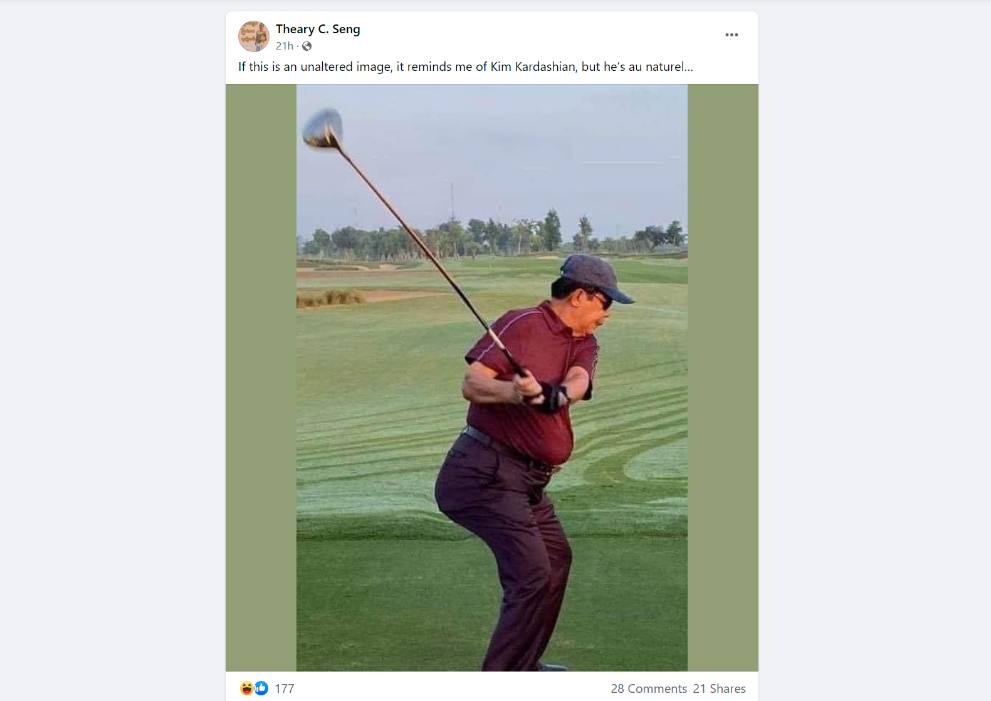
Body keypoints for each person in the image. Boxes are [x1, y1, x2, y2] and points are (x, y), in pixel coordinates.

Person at [434, 254, 634, 671]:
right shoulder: (522, 323)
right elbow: (472, 383)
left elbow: (579, 379)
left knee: (556, 560)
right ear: (580, 296)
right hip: (484, 473)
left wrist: (554, 395)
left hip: (527, 482)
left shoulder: (585, 340)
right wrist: (515, 393)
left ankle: (525, 665)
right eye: (605, 303)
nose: (607, 315)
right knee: (531, 574)